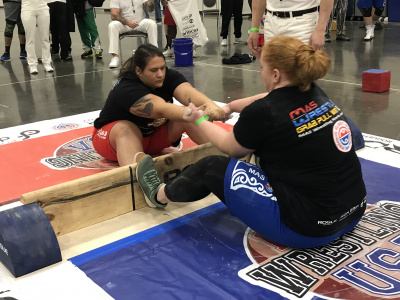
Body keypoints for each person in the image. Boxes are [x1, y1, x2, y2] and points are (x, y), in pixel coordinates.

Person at [136, 36, 367, 249]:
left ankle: (159, 194)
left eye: (262, 69)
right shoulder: (315, 91)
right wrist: (229, 107)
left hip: (310, 229)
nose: (261, 74)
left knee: (212, 167)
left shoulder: (263, 112)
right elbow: (268, 98)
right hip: (353, 211)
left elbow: (229, 147)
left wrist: (200, 119)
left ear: (275, 75)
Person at [92, 44, 226, 166]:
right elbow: (161, 109)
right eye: (154, 70)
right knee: (126, 128)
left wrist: (211, 106)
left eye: (162, 68)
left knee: (191, 119)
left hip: (150, 138)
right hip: (112, 142)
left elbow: (187, 92)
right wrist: (195, 113)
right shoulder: (127, 88)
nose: (160, 74)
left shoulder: (167, 76)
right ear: (138, 71)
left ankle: (226, 152)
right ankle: (138, 177)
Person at [248, 0, 334, 54]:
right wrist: (254, 28)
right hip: (271, 20)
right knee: (272, 73)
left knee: (301, 74)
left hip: (302, 22)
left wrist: (320, 30)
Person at [108, 0, 158, 68]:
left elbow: (150, 10)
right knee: (112, 25)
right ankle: (115, 57)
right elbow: (113, 16)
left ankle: (154, 54)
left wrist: (149, 2)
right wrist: (127, 22)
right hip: (124, 24)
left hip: (140, 22)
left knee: (152, 24)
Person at [21, 0, 54, 74]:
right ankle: (32, 64)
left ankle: (47, 62)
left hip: (42, 7)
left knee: (45, 37)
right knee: (30, 38)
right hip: (27, 8)